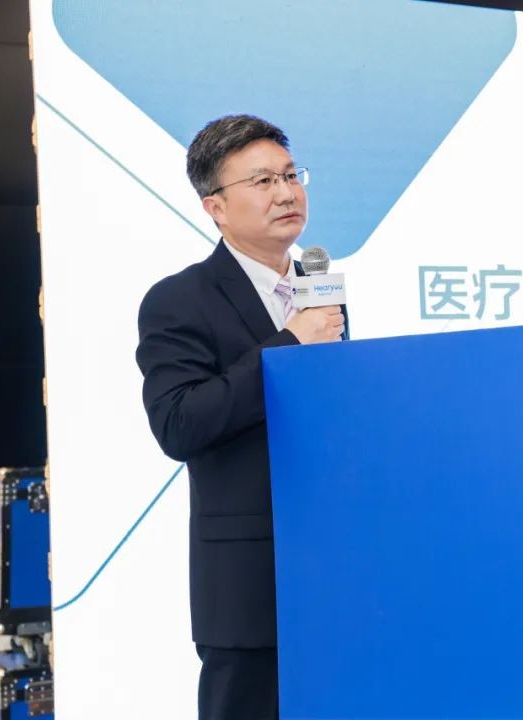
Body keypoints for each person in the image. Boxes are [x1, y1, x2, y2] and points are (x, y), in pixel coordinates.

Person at [135, 114, 346, 719]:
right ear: (216, 208)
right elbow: (178, 423)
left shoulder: (321, 290)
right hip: (248, 586)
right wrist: (289, 345)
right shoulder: (179, 299)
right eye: (262, 181)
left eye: (291, 175)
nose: (286, 192)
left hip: (334, 572)